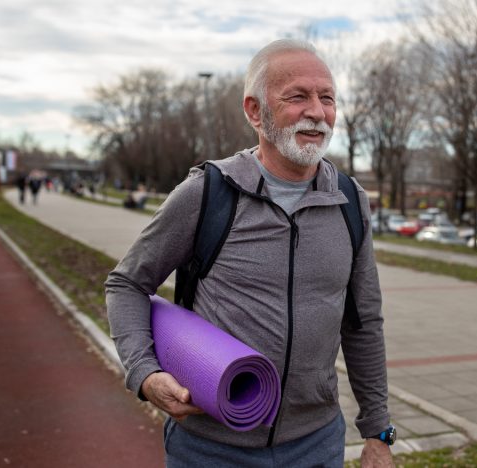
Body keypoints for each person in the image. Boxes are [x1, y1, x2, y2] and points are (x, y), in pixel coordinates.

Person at [105, 39, 392, 468]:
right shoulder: (207, 193)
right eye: (298, 96)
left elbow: (363, 321)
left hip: (317, 444)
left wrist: (378, 432)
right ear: (255, 111)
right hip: (210, 447)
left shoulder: (350, 202)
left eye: (327, 98)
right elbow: (126, 283)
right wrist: (145, 374)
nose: (317, 111)